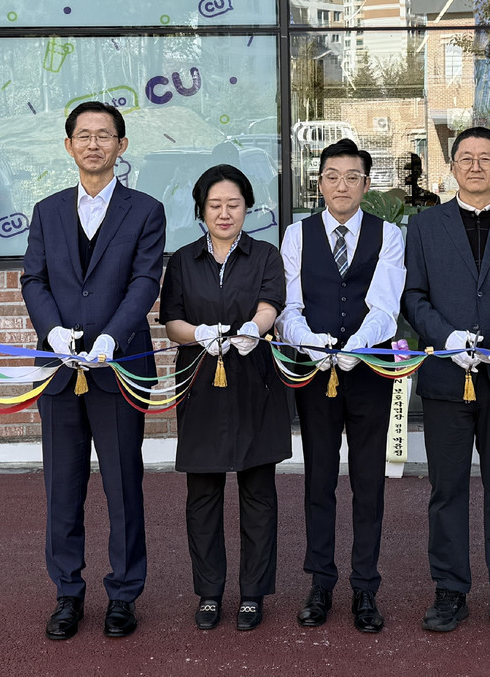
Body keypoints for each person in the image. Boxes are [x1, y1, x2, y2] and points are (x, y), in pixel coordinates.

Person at [21, 101, 166, 640]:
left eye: (105, 135)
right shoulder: (47, 210)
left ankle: (124, 593)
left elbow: (145, 281)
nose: (94, 144)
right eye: (83, 135)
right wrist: (53, 331)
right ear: (68, 146)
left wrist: (112, 335)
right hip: (58, 371)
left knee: (124, 484)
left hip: (119, 366)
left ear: (121, 146)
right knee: (63, 484)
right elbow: (33, 279)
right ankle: (67, 592)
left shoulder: (146, 211)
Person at [401, 127, 490, 637]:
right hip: (446, 377)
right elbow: (413, 297)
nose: (476, 166)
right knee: (446, 490)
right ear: (453, 167)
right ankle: (449, 590)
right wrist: (446, 336)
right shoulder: (424, 226)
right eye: (466, 158)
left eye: (487, 159)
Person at [275, 138, 406, 634]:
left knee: (369, 482)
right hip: (314, 375)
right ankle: (320, 582)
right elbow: (288, 308)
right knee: (319, 480)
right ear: (319, 182)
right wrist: (313, 345)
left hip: (368, 372)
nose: (342, 185)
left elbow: (387, 307)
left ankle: (366, 588)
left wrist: (355, 347)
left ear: (366, 184)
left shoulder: (387, 234)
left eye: (352, 176)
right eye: (332, 175)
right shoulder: (297, 234)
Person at [158, 164, 290, 632]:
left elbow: (271, 304)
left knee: (258, 492)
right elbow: (171, 321)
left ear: (247, 208)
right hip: (200, 383)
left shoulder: (264, 256)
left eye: (234, 204)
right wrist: (197, 333)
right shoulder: (183, 261)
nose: (225, 213)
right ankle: (209, 592)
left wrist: (257, 326)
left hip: (256, 381)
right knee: (203, 495)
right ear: (200, 210)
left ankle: (252, 593)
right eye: (215, 205)